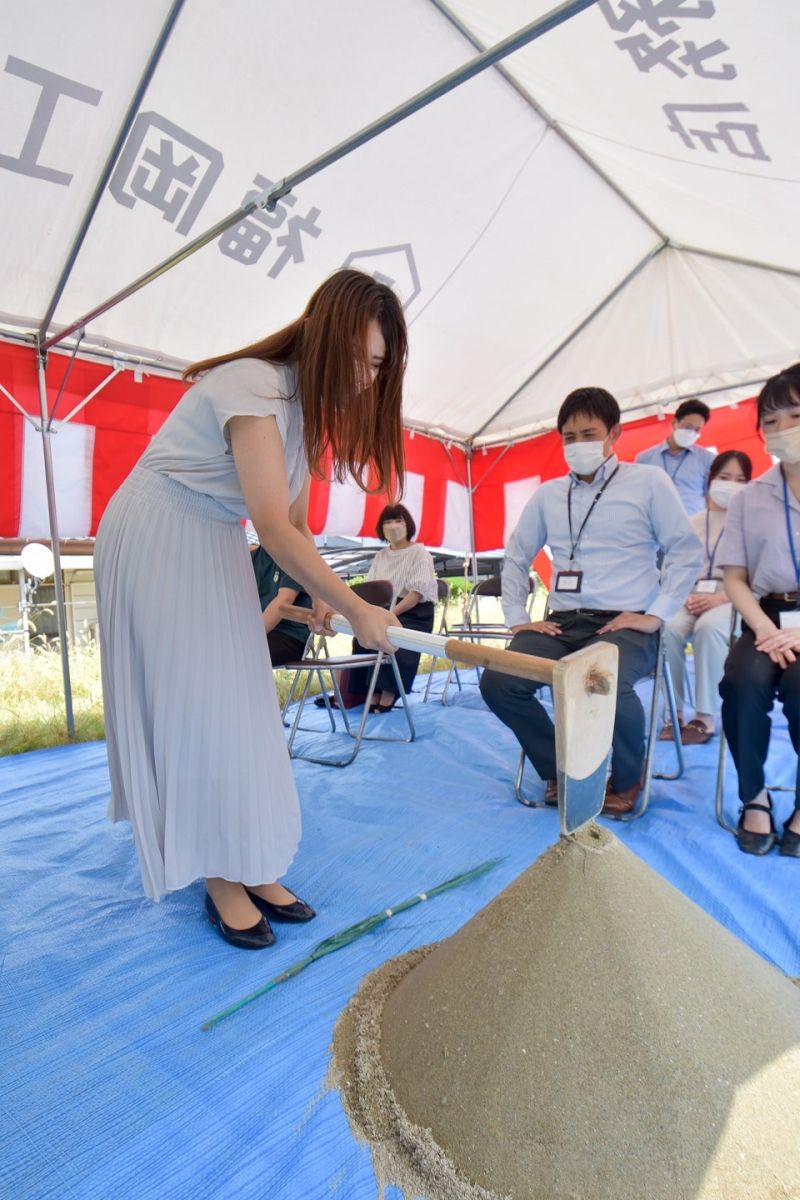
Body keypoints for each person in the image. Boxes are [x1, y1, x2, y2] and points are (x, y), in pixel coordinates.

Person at [94, 269, 407, 948]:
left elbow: (295, 518)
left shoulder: (306, 414)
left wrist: (318, 598)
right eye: (358, 355)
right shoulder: (253, 384)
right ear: (321, 334)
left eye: (379, 364)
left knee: (243, 704)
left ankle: (248, 858)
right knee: (201, 704)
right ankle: (220, 875)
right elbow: (272, 526)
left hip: (211, 536)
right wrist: (355, 607)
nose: (365, 375)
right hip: (159, 529)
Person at [479, 387, 702, 815]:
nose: (578, 444)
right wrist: (515, 618)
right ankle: (560, 768)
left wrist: (654, 615)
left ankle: (627, 777)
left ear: (614, 433)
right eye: (568, 436)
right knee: (499, 681)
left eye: (588, 433)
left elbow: (685, 550)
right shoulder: (548, 494)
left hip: (625, 623)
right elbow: (516, 555)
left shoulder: (648, 482)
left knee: (605, 681)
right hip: (561, 623)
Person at [717, 363, 800, 858]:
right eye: (771, 420)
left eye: (795, 414)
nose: (783, 428)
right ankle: (755, 795)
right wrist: (768, 630)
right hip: (765, 616)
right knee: (741, 683)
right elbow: (734, 577)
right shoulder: (750, 498)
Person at [659, 450, 752, 745]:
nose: (731, 484)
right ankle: (674, 714)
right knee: (667, 628)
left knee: (709, 628)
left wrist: (722, 597)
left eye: (740, 479)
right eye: (725, 477)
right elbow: (674, 565)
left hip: (732, 598)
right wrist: (683, 594)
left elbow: (758, 576)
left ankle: (704, 717)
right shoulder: (692, 521)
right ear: (711, 479)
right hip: (692, 594)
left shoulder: (750, 522)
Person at [347, 503, 438, 710]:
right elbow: (371, 588)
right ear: (381, 527)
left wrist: (389, 615)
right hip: (383, 607)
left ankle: (390, 690)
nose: (393, 525)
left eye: (398, 520)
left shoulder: (419, 553)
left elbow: (416, 594)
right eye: (388, 521)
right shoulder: (381, 555)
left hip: (412, 611)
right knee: (364, 636)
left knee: (393, 636)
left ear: (408, 525)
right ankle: (369, 689)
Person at [635, 398, 715, 515]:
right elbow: (640, 497)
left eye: (697, 430)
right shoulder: (645, 459)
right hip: (657, 526)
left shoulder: (708, 459)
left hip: (694, 526)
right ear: (674, 423)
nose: (691, 432)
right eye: (687, 427)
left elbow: (711, 499)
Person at [247, 525, 313, 667]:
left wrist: (249, 636)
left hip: (289, 636)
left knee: (240, 653)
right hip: (259, 631)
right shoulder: (252, 556)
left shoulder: (292, 553)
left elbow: (285, 600)